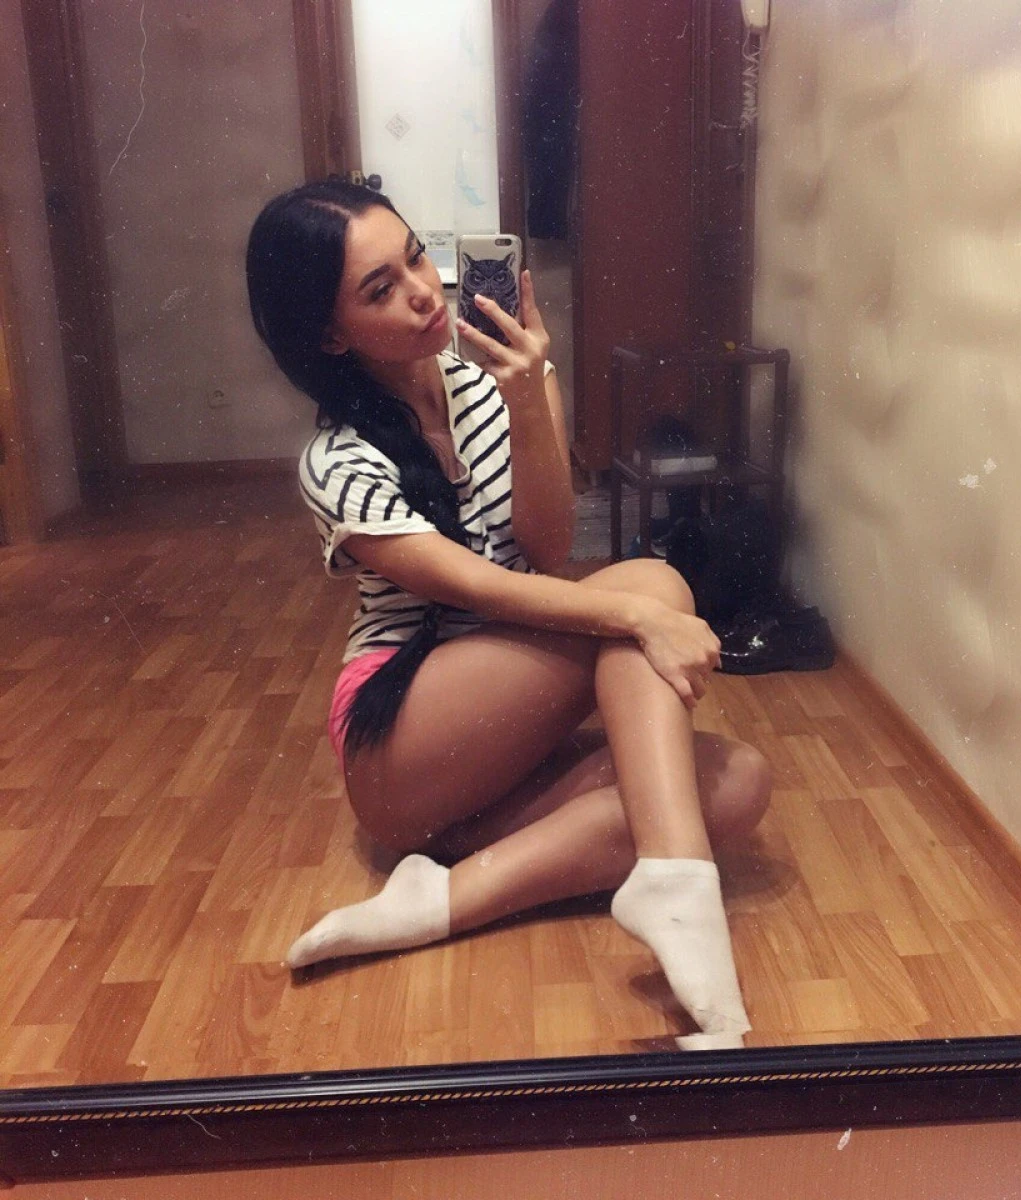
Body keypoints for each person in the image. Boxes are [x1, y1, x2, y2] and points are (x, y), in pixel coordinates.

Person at [245, 180, 771, 1049]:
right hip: (402, 742)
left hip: (499, 732)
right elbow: (477, 589)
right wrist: (641, 616)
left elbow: (548, 545)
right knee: (647, 593)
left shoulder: (503, 381)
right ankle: (681, 892)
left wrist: (529, 399)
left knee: (739, 780)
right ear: (331, 335)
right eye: (381, 289)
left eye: (417, 258)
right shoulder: (335, 461)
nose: (423, 291)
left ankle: (445, 898)